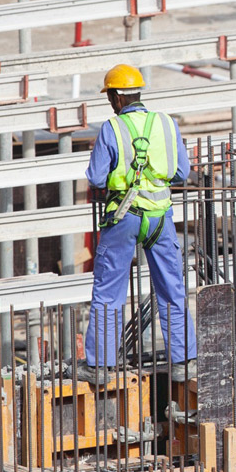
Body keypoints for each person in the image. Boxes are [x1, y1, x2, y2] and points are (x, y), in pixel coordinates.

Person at [76, 64, 197, 384]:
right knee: (172, 289)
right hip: (160, 217)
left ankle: (99, 367)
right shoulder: (167, 124)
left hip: (124, 216)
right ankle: (184, 361)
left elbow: (96, 178)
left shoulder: (111, 129)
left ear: (116, 97)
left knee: (108, 292)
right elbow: (182, 174)